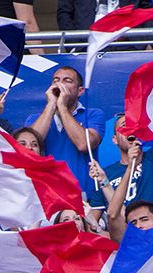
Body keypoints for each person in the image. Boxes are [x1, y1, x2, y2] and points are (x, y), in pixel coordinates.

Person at [24, 66, 103, 197]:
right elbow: (29, 147)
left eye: (67, 80)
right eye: (56, 80)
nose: (60, 84)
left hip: (84, 197)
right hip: (47, 196)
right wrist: (51, 105)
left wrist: (62, 107)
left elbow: (84, 144)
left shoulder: (93, 115)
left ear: (80, 91)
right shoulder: (34, 119)